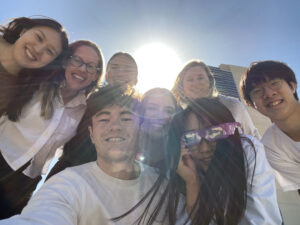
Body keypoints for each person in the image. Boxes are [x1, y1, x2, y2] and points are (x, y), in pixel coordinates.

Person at [0, 86, 178, 225]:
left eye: (126, 118)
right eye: (103, 119)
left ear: (140, 129)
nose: (115, 126)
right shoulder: (68, 184)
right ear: (91, 134)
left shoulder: (164, 186)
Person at [0, 40, 104, 218]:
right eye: (76, 60)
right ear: (65, 61)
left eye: (90, 66)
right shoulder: (36, 82)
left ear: (95, 75)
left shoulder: (86, 111)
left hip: (25, 185)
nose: (82, 69)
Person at [165, 98, 282, 225]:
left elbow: (261, 221)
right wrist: (192, 182)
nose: (204, 148)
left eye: (215, 133)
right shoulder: (183, 170)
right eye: (191, 137)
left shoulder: (246, 150)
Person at [240, 60, 300, 193]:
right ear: (251, 105)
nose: (268, 93)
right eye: (257, 91)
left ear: (292, 86)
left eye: (274, 83)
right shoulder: (270, 147)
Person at [172, 60, 260, 139]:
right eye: (190, 79)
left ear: (210, 81)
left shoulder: (231, 105)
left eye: (200, 78)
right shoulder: (179, 116)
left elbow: (253, 137)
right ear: (182, 86)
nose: (196, 83)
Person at [0, 16, 69, 115]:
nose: (38, 50)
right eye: (39, 38)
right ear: (23, 32)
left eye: (49, 51)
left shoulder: (10, 94)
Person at [137, 88, 180, 167]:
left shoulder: (180, 151)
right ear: (141, 110)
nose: (160, 116)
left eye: (168, 111)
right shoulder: (126, 145)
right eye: (152, 108)